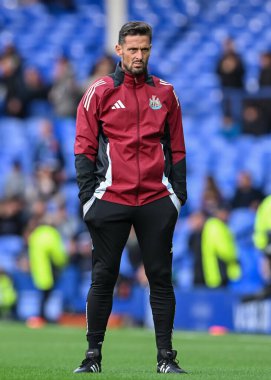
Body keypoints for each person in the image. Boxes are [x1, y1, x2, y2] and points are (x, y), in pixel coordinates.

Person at [73, 21, 187, 374]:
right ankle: (92, 357)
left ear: (150, 50)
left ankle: (166, 359)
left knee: (159, 276)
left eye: (145, 49)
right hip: (111, 198)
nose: (139, 56)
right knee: (104, 276)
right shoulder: (100, 91)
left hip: (155, 199)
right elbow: (84, 147)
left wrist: (177, 197)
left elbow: (178, 149)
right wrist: (87, 199)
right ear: (119, 50)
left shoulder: (166, 93)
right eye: (133, 49)